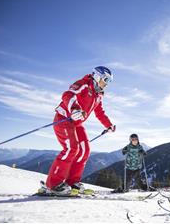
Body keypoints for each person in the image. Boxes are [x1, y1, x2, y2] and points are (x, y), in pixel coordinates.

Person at [44, 66, 116, 195]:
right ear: (97, 76)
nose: (106, 83)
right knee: (71, 149)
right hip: (64, 119)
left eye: (109, 81)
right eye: (106, 79)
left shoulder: (98, 94)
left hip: (76, 123)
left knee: (84, 150)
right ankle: (53, 185)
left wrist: (108, 125)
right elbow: (68, 95)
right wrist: (75, 109)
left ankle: (72, 182)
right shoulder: (83, 84)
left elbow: (99, 112)